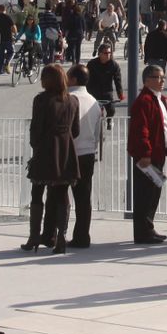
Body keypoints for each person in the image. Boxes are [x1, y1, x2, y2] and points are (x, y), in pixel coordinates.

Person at [23, 64, 80, 254]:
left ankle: (34, 236)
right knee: (62, 195)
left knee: (37, 193)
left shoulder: (41, 100)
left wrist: (36, 145)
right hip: (65, 150)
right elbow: (76, 131)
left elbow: (36, 128)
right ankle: (61, 237)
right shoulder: (72, 101)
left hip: (46, 149)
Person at [128, 65, 167, 244]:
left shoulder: (158, 98)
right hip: (148, 156)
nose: (162, 81)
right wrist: (145, 153)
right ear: (147, 80)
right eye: (158, 77)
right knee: (145, 194)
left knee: (154, 191)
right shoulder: (145, 100)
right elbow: (141, 130)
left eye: (163, 77)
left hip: (158, 152)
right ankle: (143, 232)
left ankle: (148, 227)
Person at [64, 65, 102, 248]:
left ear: (74, 80)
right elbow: (99, 132)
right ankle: (82, 235)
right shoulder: (94, 102)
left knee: (61, 195)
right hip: (87, 153)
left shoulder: (67, 99)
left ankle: (58, 232)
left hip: (68, 153)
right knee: (83, 198)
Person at [86, 44, 125, 127]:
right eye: (105, 53)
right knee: (91, 111)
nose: (108, 55)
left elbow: (117, 80)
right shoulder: (92, 64)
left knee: (111, 110)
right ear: (99, 54)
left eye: (109, 53)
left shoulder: (114, 65)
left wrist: (120, 94)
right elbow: (86, 79)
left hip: (107, 92)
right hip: (93, 91)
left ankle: (109, 120)